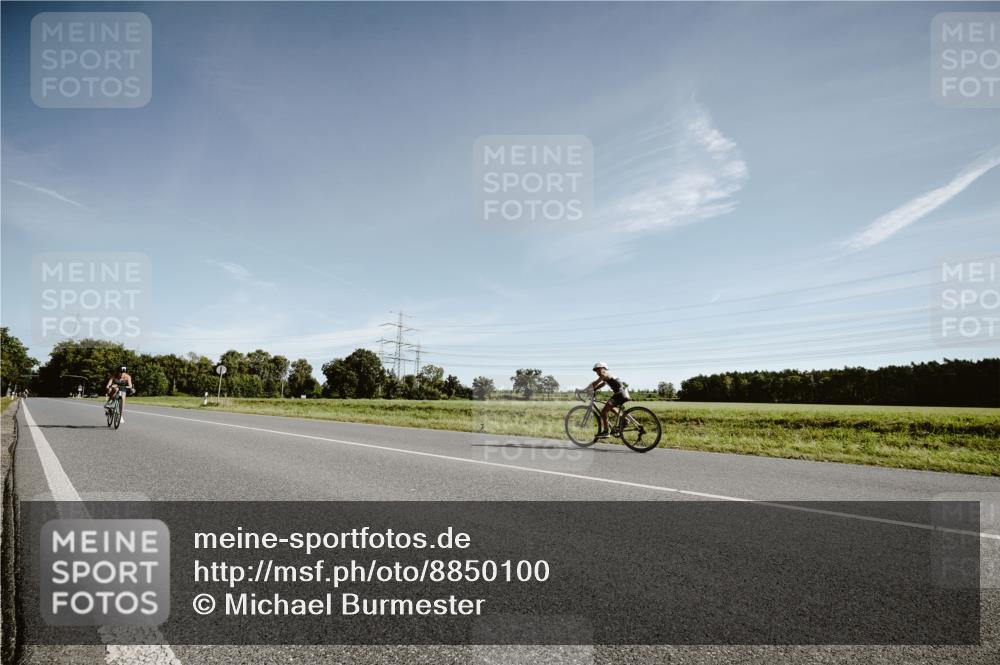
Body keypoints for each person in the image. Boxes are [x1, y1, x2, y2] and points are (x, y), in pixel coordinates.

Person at [582, 362, 630, 438]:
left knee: (604, 412)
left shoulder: (604, 374)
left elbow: (595, 383)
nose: (598, 372)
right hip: (623, 393)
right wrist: (594, 389)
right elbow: (602, 384)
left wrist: (584, 390)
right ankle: (624, 419)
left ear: (604, 369)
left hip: (620, 394)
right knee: (609, 407)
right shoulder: (607, 375)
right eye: (596, 371)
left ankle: (606, 431)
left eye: (599, 369)